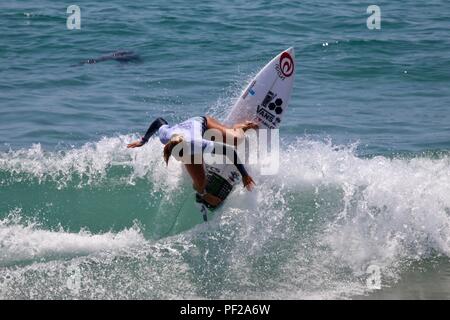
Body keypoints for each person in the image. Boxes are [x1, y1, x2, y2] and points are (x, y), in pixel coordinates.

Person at [127, 116, 258, 208]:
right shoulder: (166, 136)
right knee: (200, 183)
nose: (182, 160)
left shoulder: (197, 144)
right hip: (187, 141)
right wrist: (143, 140)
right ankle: (203, 195)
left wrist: (245, 175)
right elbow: (159, 121)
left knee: (236, 140)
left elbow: (229, 151)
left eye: (184, 156)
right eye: (179, 157)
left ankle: (240, 127)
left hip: (203, 123)